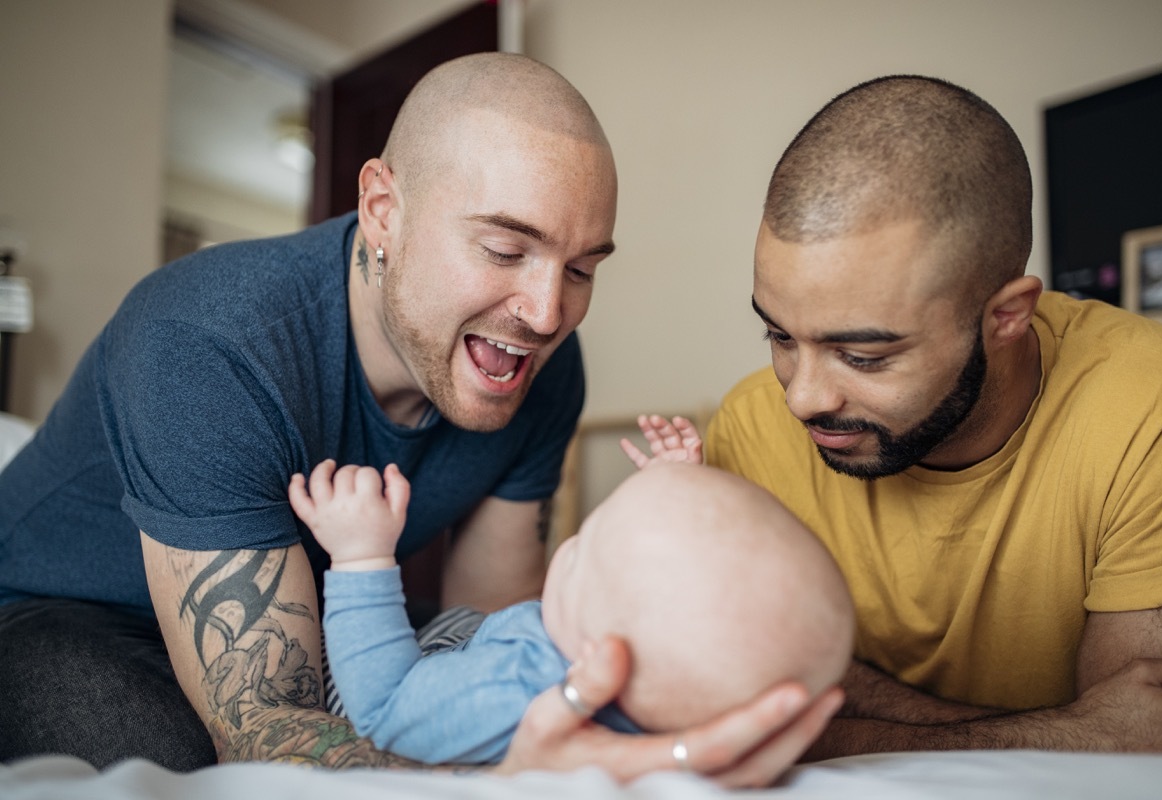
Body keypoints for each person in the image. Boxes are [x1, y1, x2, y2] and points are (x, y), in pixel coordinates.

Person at [0, 53, 835, 784]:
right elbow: (265, 731)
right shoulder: (206, 340)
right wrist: (512, 772)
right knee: (177, 764)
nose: (547, 313)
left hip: (320, 634)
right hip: (53, 612)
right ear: (383, 211)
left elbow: (495, 630)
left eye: (581, 267)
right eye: (506, 250)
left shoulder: (541, 372)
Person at [704, 74, 1162, 757]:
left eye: (862, 355)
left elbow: (1143, 748)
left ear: (1007, 316)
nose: (801, 397)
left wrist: (852, 712)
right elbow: (733, 715)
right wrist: (1060, 731)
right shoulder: (751, 427)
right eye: (781, 337)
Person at [289, 447, 853, 765]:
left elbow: (386, 704)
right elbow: (689, 590)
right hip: (464, 640)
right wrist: (669, 488)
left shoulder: (520, 685)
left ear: (595, 656)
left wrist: (363, 555)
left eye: (586, 547)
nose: (571, 542)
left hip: (378, 674)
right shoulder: (661, 705)